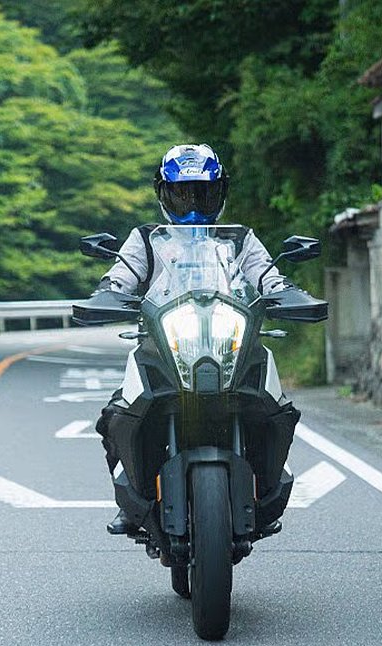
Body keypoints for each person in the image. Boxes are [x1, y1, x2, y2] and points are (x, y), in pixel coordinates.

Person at [95, 143, 300, 535]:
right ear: (164, 194)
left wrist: (286, 291)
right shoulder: (146, 239)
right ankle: (132, 501)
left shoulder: (240, 241)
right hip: (162, 347)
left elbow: (268, 275)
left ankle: (266, 490)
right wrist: (109, 291)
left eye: (202, 194)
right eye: (182, 193)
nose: (192, 206)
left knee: (279, 411)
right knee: (115, 417)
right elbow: (120, 276)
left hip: (231, 344)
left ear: (219, 194)